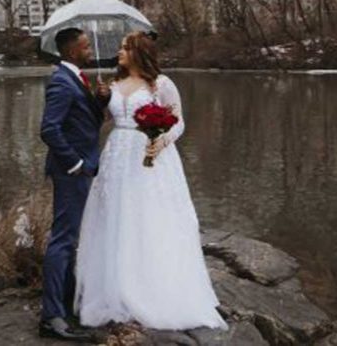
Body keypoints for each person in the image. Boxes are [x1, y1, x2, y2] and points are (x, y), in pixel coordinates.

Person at [75, 31, 227, 331]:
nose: (119, 52)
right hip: (117, 154)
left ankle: (152, 285)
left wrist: (162, 141)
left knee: (148, 215)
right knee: (115, 217)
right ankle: (115, 287)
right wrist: (100, 100)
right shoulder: (114, 84)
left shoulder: (161, 84)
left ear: (139, 52)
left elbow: (179, 121)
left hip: (150, 156)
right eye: (120, 47)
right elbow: (104, 120)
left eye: (125, 47)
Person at [38, 28, 111, 342]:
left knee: (69, 237)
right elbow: (49, 130)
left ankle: (65, 302)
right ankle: (51, 317)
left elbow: (83, 121)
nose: (90, 51)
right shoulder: (61, 81)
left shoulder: (76, 78)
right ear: (70, 51)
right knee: (63, 239)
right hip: (72, 172)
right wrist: (76, 164)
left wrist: (98, 101)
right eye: (85, 47)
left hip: (80, 169)